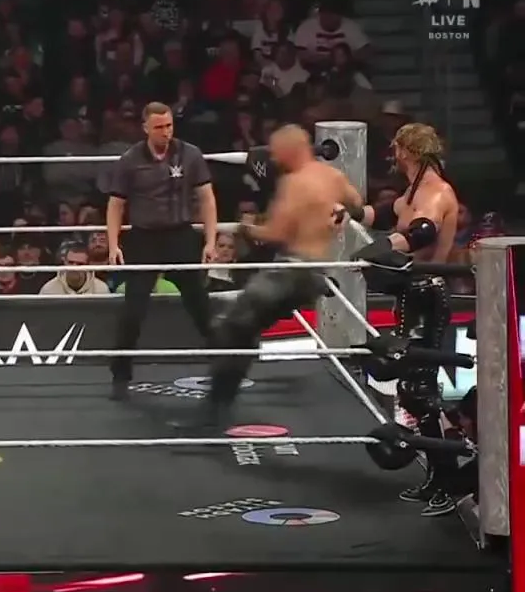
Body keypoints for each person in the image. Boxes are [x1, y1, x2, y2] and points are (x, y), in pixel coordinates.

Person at [180, 125, 362, 428]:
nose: (274, 160)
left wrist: (245, 227)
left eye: (278, 153)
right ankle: (218, 407)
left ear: (290, 151)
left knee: (228, 329)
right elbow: (356, 202)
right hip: (313, 270)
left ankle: (214, 408)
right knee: (244, 331)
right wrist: (339, 212)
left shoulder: (294, 183)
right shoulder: (333, 176)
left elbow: (275, 233)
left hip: (291, 271)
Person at [348, 123, 461, 517]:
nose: (393, 155)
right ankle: (437, 478)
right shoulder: (412, 192)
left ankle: (448, 482)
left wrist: (375, 250)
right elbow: (383, 213)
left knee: (421, 391)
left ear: (409, 151)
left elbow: (421, 233)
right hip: (411, 294)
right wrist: (346, 212)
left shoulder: (436, 191)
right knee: (412, 392)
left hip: (428, 293)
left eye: (397, 148)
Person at [106, 101, 219, 400]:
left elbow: (207, 198)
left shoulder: (190, 154)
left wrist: (210, 240)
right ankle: (120, 372)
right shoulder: (130, 160)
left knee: (199, 302)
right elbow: (116, 204)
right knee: (133, 307)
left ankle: (224, 360)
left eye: (169, 125)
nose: (165, 132)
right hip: (144, 238)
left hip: (180, 235)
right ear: (145, 127)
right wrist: (114, 244)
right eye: (158, 127)